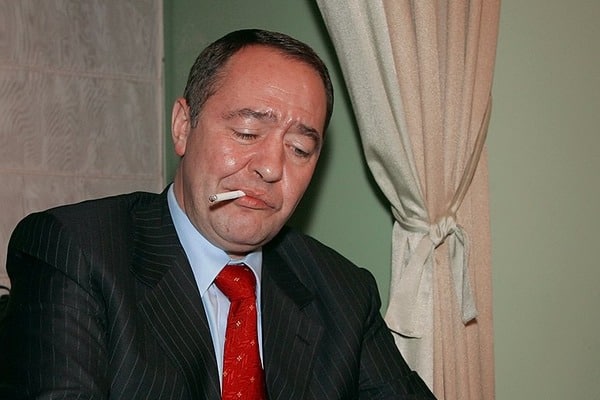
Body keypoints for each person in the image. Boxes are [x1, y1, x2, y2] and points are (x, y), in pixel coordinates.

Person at [0, 29, 435, 399]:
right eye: (247, 132)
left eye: (300, 149)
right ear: (183, 126)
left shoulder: (343, 293)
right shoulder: (75, 252)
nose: (271, 168)